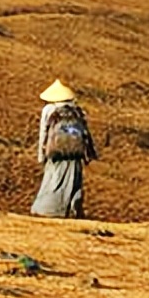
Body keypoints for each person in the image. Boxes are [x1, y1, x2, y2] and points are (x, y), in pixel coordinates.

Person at [30, 79, 98, 218]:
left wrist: (41, 155)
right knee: (74, 182)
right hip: (75, 154)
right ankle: (72, 210)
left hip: (56, 153)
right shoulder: (77, 110)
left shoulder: (49, 110)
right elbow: (85, 133)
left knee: (53, 181)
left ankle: (49, 210)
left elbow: (44, 132)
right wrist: (89, 153)